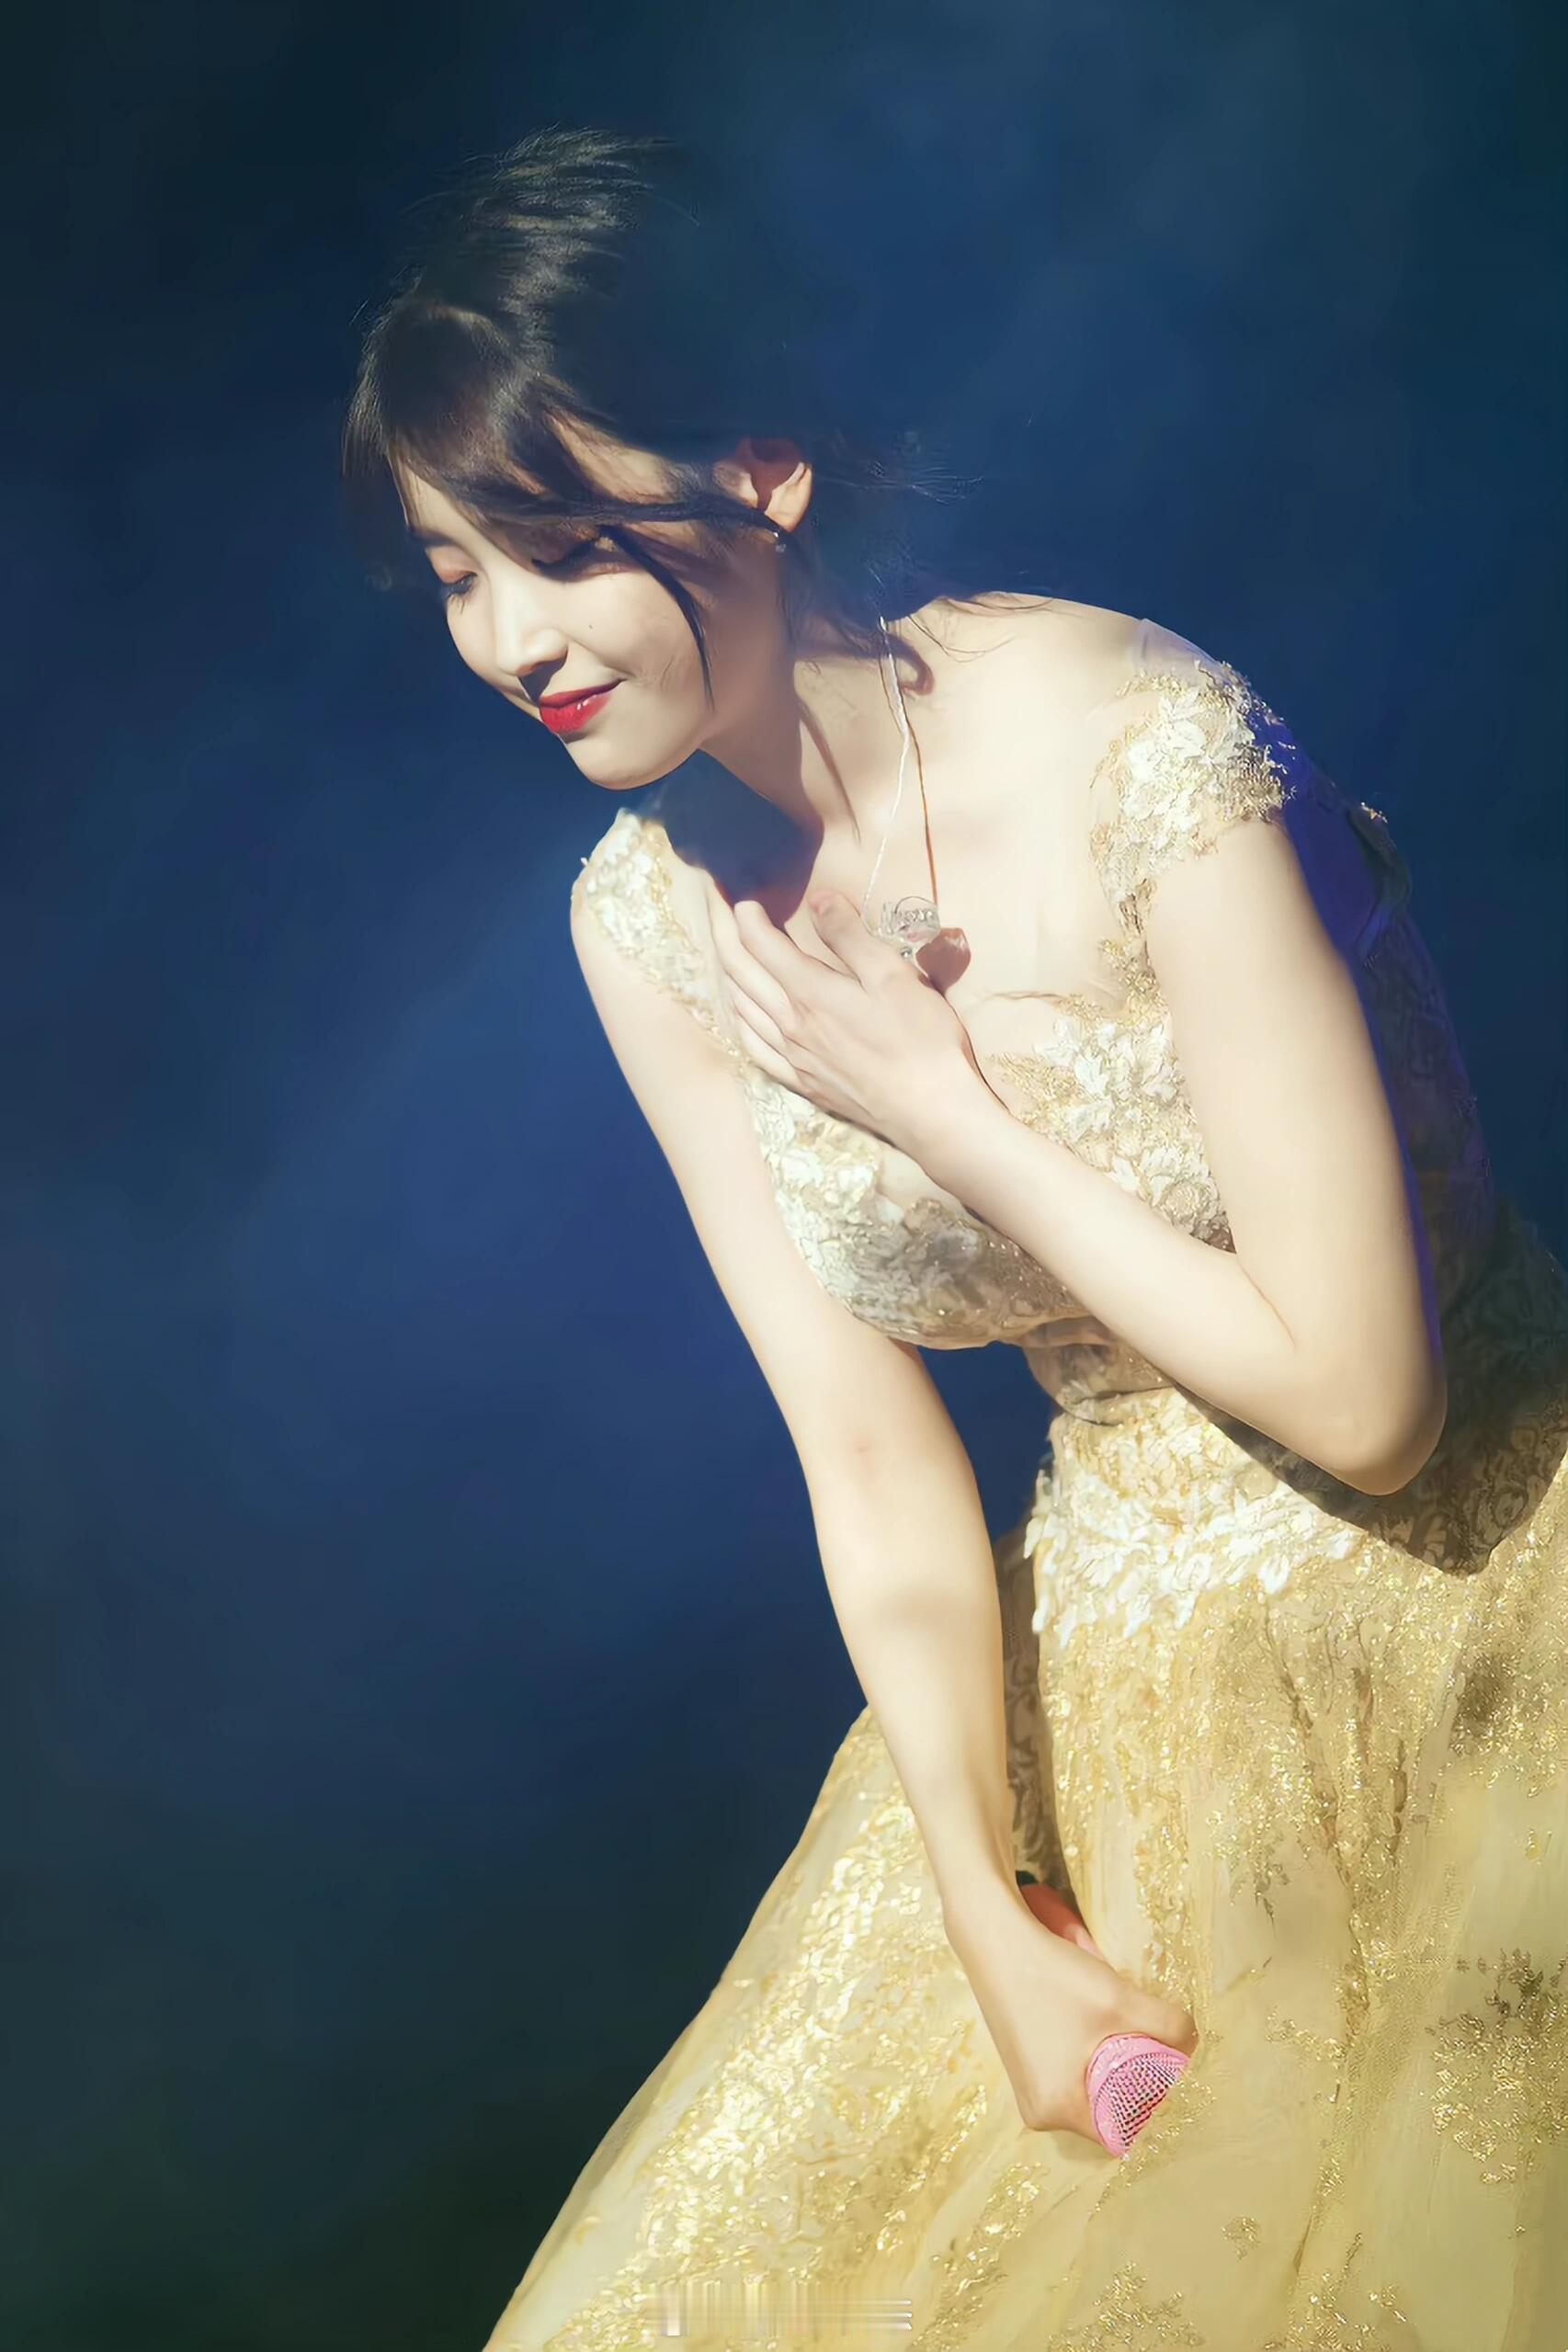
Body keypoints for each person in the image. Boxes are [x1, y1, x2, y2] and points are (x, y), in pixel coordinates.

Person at [342, 126, 1568, 2352]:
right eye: (452, 574)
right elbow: (866, 1450)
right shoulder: (649, 924)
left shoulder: (1138, 740)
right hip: (1112, 1666)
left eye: (559, 547)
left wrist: (949, 1120)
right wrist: (985, 1896)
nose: (510, 639)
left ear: (762, 470)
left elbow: (1369, 1401)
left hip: (1490, 1600)